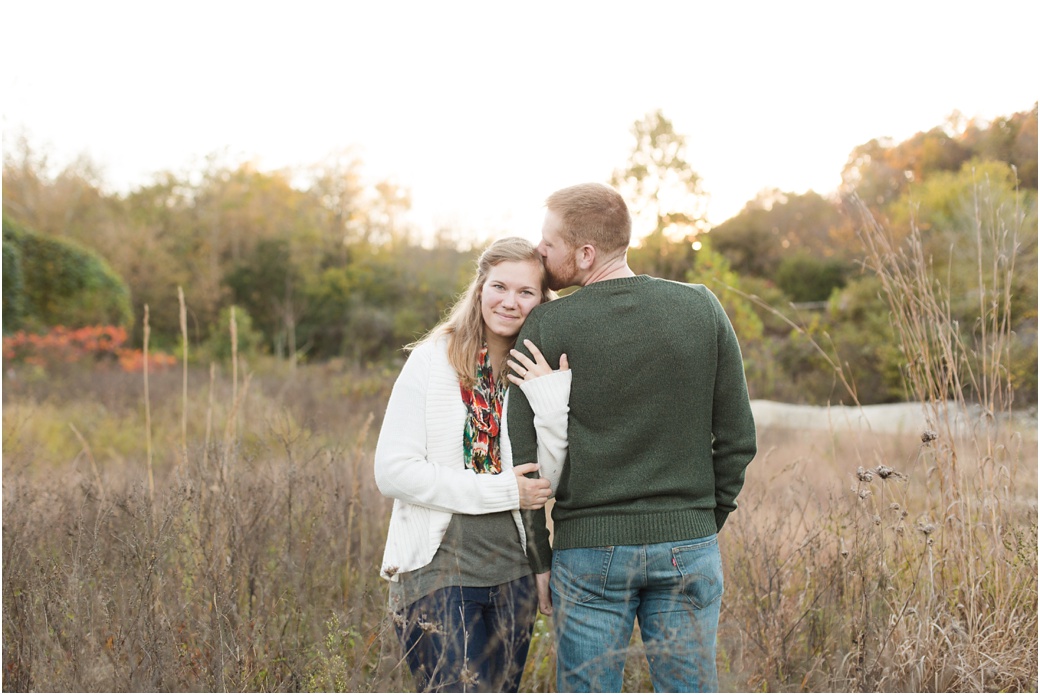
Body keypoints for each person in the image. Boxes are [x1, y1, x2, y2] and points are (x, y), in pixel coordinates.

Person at [508, 183, 758, 693]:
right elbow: (737, 437)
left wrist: (539, 553)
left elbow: (523, 458)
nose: (539, 250)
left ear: (585, 253)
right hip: (688, 545)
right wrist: (702, 521)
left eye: (548, 242)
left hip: (587, 551)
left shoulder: (546, 324)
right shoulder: (702, 308)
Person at [374, 236, 571, 693]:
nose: (509, 302)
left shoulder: (536, 372)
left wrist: (551, 399)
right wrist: (503, 490)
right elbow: (394, 471)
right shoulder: (432, 360)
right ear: (480, 287)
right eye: (499, 286)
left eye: (526, 293)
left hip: (514, 576)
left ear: (542, 301)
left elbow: (549, 481)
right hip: (437, 574)